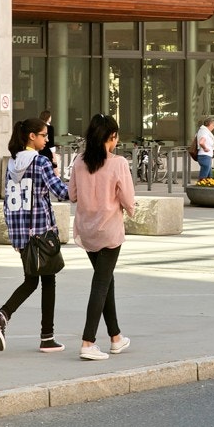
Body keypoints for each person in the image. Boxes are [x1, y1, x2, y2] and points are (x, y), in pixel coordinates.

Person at [0, 118, 70, 353]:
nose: (46, 139)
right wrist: (82, 184)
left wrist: (16, 237)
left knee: (34, 280)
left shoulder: (13, 163)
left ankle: (7, 317)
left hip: (22, 234)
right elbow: (61, 192)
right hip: (42, 232)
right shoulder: (40, 162)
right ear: (31, 136)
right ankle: (44, 336)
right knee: (48, 279)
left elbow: (8, 202)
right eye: (44, 135)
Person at [68, 113, 136, 361]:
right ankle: (88, 341)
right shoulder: (118, 163)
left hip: (86, 231)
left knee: (105, 280)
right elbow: (129, 200)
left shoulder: (78, 161)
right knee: (101, 283)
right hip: (109, 230)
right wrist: (131, 209)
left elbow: (72, 195)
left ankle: (116, 337)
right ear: (111, 137)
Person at [193, 116, 214, 182]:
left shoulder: (202, 130)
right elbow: (201, 142)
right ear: (210, 124)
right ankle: (200, 189)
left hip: (205, 156)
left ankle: (209, 189)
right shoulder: (205, 131)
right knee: (203, 178)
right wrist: (205, 148)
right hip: (205, 155)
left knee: (210, 177)